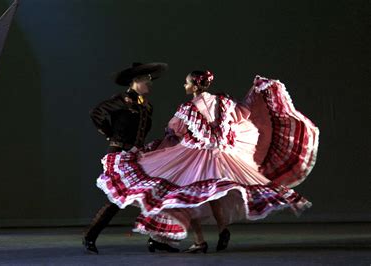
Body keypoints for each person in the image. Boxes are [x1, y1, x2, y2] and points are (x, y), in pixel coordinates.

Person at [96, 70, 319, 253]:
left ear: (194, 86)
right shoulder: (223, 101)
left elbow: (176, 128)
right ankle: (222, 230)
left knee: (188, 196)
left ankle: (200, 241)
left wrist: (173, 137)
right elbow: (242, 114)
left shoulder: (188, 109)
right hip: (222, 156)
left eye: (186, 83)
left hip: (194, 157)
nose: (184, 87)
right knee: (211, 193)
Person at [83, 62, 179, 254]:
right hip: (120, 154)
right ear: (135, 81)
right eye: (146, 80)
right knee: (117, 200)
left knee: (155, 193)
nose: (149, 84)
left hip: (137, 155)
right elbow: (96, 113)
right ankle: (89, 238)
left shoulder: (147, 105)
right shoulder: (120, 100)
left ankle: (156, 239)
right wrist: (111, 134)